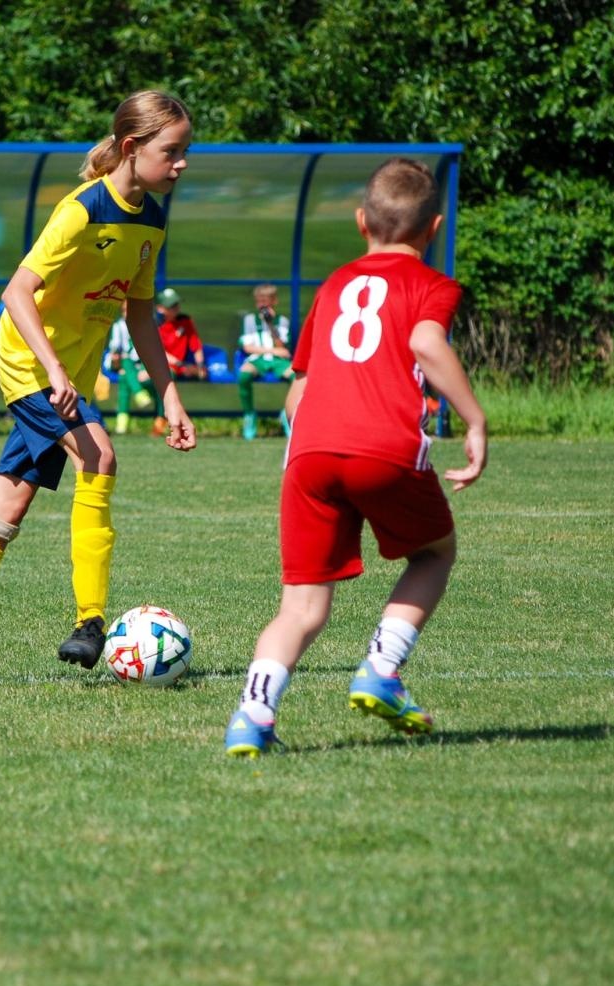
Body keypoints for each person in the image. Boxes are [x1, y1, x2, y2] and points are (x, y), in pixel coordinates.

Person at [0, 89, 198, 685]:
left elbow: (140, 312)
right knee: (100, 455)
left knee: (4, 512)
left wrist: (169, 394)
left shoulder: (152, 220)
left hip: (66, 377)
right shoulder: (81, 210)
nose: (182, 163)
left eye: (186, 151)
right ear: (133, 147)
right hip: (30, 367)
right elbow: (17, 292)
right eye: (173, 151)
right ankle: (92, 622)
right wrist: (56, 370)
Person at [221, 158, 488, 756]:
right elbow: (424, 341)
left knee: (302, 607)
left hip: (310, 453)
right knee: (435, 552)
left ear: (361, 221)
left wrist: (311, 453)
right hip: (383, 447)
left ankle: (251, 716)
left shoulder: (335, 285)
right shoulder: (431, 285)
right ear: (435, 228)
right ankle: (381, 669)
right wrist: (474, 419)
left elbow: (299, 392)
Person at [236, 283, 294, 440]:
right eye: (259, 301)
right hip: (259, 359)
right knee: (244, 375)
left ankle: (287, 413)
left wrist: (270, 324)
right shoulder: (250, 320)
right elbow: (247, 347)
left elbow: (283, 346)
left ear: (274, 301)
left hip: (277, 361)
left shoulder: (282, 320)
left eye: (265, 301)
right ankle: (249, 414)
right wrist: (273, 351)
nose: (262, 305)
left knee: (296, 377)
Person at [103, 301, 153, 434]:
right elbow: (115, 349)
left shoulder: (144, 325)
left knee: (124, 378)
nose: (128, 313)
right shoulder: (119, 326)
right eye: (125, 310)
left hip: (140, 366)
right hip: (122, 363)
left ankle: (122, 422)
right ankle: (139, 393)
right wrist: (115, 359)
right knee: (125, 361)